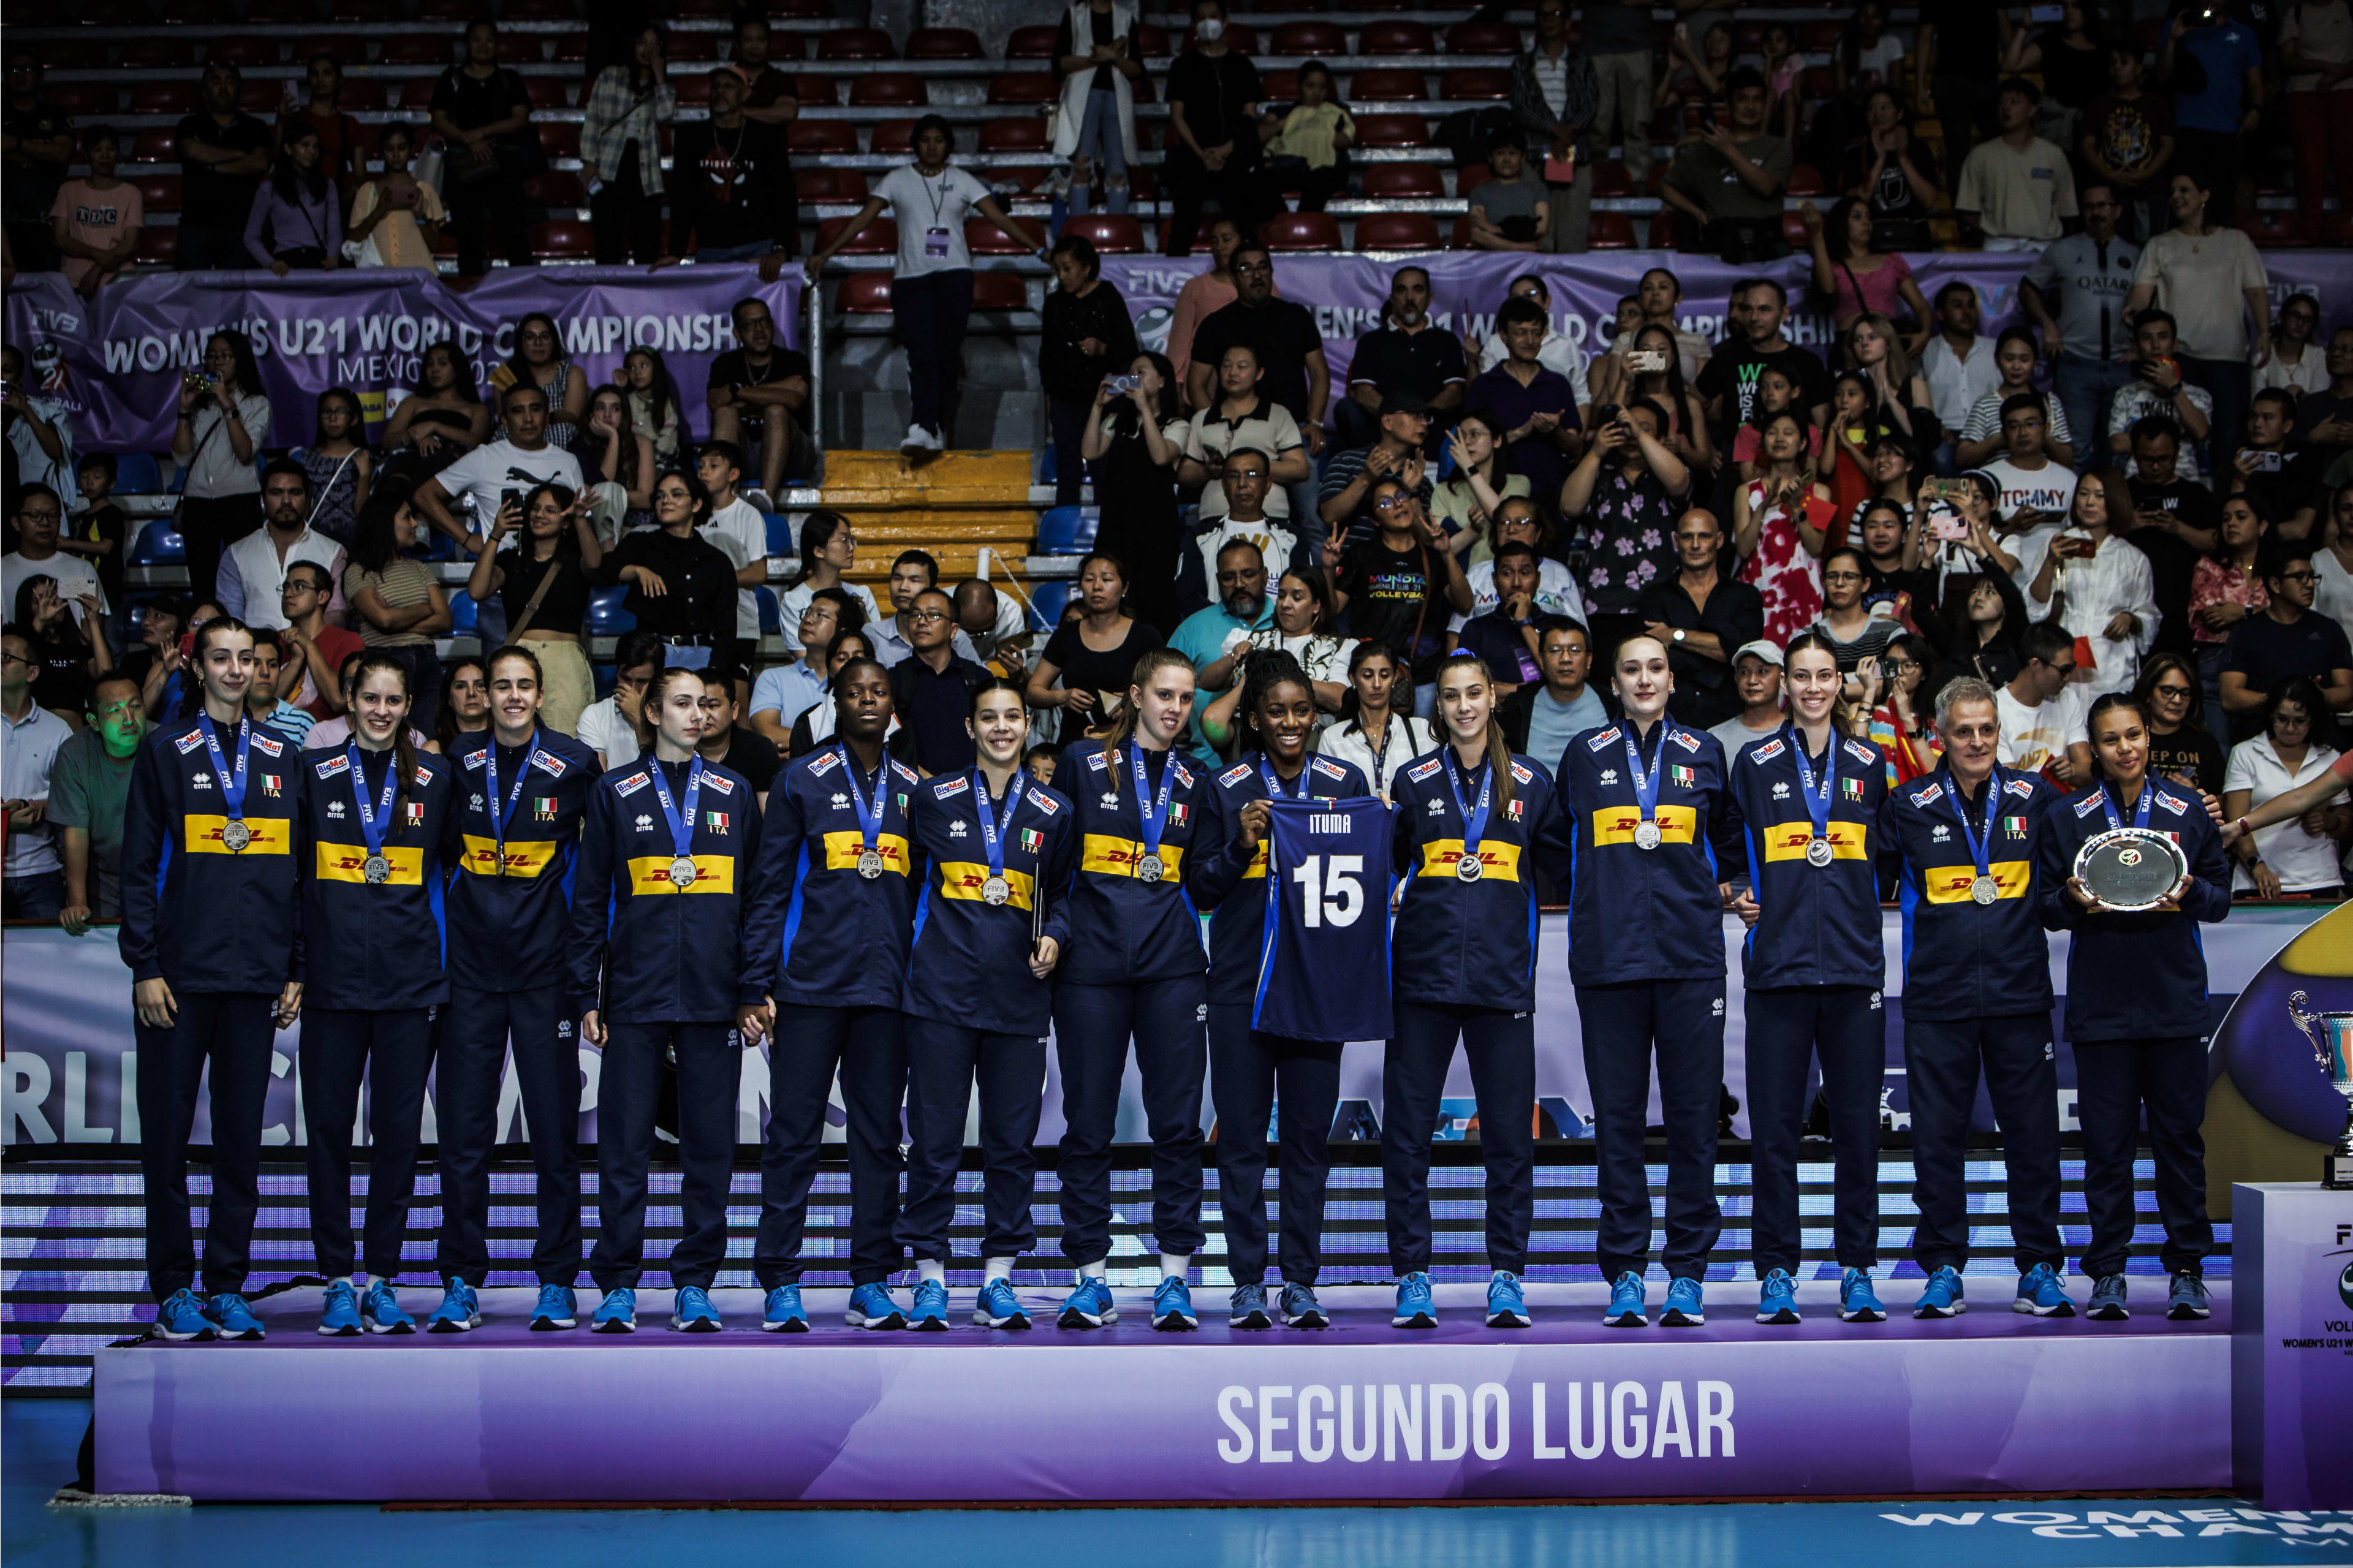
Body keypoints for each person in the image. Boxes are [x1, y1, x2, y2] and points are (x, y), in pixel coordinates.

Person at [117, 618, 303, 1341]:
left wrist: (295, 966)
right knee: (165, 1139)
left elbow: (296, 876)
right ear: (196, 668)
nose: (234, 670)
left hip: (254, 978)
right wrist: (145, 965)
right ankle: (172, 1289)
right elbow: (136, 869)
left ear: (260, 670)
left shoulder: (284, 757)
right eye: (220, 659)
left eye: (246, 660)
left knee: (239, 1142)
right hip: (178, 978)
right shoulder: (165, 750)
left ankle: (226, 1284)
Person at [569, 666, 763, 1333]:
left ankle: (695, 1283)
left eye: (704, 705)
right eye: (681, 704)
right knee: (624, 1146)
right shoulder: (614, 793)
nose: (696, 715)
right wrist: (587, 992)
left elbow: (760, 901)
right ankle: (619, 1283)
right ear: (651, 714)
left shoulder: (735, 792)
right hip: (635, 991)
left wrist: (752, 986)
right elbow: (590, 897)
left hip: (714, 997)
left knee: (708, 1148)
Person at [1558, 635, 1744, 1328]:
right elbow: (1557, 842)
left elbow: (1729, 843)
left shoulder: (1704, 752)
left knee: (1696, 1122)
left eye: (1655, 668)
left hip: (1691, 958)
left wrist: (1738, 885)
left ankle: (1688, 1272)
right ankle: (1627, 1274)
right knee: (1620, 1126)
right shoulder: (1585, 755)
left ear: (1672, 679)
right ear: (1614, 680)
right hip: (1609, 961)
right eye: (1631, 667)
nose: (1644, 678)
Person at [1380, 657, 1567, 1328]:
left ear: (1494, 699)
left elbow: (1570, 868)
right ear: (1440, 707)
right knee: (1406, 1137)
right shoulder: (1412, 780)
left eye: (1475, 695)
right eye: (1452, 697)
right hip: (1422, 981)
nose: (1464, 707)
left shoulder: (1535, 783)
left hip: (1501, 982)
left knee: (1511, 1138)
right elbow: (1385, 867)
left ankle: (1508, 1276)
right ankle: (1412, 1277)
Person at [1881, 676, 2074, 1317]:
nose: (1977, 741)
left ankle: (2041, 1265)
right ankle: (1942, 1268)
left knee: (2033, 1138)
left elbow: (2071, 872)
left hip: (2020, 995)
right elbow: (1862, 875)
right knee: (1937, 1140)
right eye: (1963, 731)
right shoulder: (1908, 803)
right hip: (1938, 999)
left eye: (1987, 729)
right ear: (1941, 735)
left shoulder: (2036, 797)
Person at [733, 659, 918, 1330]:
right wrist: (757, 982)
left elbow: (923, 895)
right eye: (853, 692)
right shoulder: (798, 780)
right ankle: (781, 1279)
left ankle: (872, 1279)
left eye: (877, 692)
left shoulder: (911, 788)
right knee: (793, 1139)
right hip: (808, 988)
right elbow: (769, 890)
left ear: (892, 705)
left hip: (886, 993)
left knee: (877, 1141)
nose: (866, 701)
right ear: (833, 703)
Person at [1191, 656, 1370, 1328]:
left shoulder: (1343, 781)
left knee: (1305, 1144)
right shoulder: (1225, 787)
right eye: (1277, 712)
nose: (1291, 722)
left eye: (1301, 710)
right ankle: (1246, 1283)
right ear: (1254, 720)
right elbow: (1201, 886)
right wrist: (1239, 846)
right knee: (1239, 1140)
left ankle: (1300, 1281)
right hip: (1240, 987)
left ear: (1315, 717)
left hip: (1317, 990)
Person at [423, 646, 599, 1330]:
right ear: (483, 695)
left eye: (526, 685)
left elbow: (596, 867)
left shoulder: (576, 763)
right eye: (502, 686)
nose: (514, 696)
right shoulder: (452, 765)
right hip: (469, 974)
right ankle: (461, 1279)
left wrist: (585, 975)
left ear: (540, 692)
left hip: (546, 975)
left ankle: (557, 1280)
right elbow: (437, 859)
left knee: (555, 1136)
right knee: (465, 1135)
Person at [2044, 691, 2227, 1320]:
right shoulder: (2069, 817)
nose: (2126, 748)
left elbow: (2221, 897)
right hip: (2102, 1009)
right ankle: (2109, 1273)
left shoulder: (2186, 810)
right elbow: (2045, 905)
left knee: (2180, 1142)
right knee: (2107, 1148)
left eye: (2135, 736)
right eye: (2112, 739)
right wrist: (2072, 902)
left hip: (2175, 1002)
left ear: (2149, 737)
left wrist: (2191, 892)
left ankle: (2186, 1270)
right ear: (2094, 748)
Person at [898, 678, 1075, 1330]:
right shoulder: (933, 799)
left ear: (1027, 725)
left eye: (1013, 717)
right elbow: (901, 884)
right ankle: (930, 1278)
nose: (1002, 728)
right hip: (941, 996)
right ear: (970, 729)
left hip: (1019, 1000)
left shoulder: (1054, 810)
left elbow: (1064, 896)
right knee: (935, 1143)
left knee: (1010, 1146)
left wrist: (1056, 937)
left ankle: (1000, 1277)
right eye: (989, 718)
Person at [1726, 631, 1892, 1324]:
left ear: (1841, 684)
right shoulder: (1755, 763)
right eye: (1803, 676)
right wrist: (1734, 890)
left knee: (1857, 1130)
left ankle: (1856, 1270)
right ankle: (1777, 1274)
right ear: (1786, 686)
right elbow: (1729, 844)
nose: (1815, 687)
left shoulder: (1869, 763)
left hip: (1854, 971)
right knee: (1774, 1135)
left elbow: (1889, 855)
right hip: (1780, 971)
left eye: (1827, 675)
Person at [1048, 649, 1215, 1331]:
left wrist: (1238, 851)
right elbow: (1055, 869)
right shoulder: (1081, 766)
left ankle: (1174, 1278)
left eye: (1186, 699)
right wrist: (1054, 936)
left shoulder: (1197, 781)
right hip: (1089, 970)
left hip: (1174, 968)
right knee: (1087, 1125)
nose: (1176, 709)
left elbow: (1203, 884)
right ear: (1136, 695)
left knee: (1176, 1126)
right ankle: (1091, 1278)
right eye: (1165, 695)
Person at [292, 653, 453, 1336]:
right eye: (370, 698)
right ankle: (336, 1279)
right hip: (330, 984)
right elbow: (295, 880)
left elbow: (455, 876)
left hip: (410, 984)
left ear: (406, 705)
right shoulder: (314, 774)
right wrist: (296, 967)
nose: (382, 711)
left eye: (394, 701)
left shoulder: (438, 779)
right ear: (349, 701)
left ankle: (382, 1278)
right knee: (327, 1133)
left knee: (397, 1138)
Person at [805, 116, 1047, 455]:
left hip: (955, 276)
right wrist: (825, 253)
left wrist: (1039, 249)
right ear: (915, 143)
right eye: (926, 140)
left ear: (948, 145)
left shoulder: (962, 179)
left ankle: (934, 428)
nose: (932, 146)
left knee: (946, 358)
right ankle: (921, 426)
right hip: (910, 279)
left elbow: (1000, 218)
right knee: (922, 355)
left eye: (939, 140)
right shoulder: (897, 179)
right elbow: (863, 218)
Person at [2123, 171, 2272, 482]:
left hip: (2227, 356)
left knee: (2227, 438)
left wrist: (2265, 331)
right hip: (2178, 358)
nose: (2176, 196)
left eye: (2184, 190)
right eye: (2173, 191)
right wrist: (2132, 314)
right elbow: (2141, 295)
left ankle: (2224, 508)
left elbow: (2256, 290)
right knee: (2179, 436)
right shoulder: (2160, 244)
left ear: (2204, 195)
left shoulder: (2236, 241)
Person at [1186, 246, 1332, 494]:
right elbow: (1196, 383)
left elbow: (1319, 373)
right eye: (1246, 269)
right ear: (1233, 278)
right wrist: (1214, 426)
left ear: (1272, 273)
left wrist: (1315, 420)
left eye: (1263, 267)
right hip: (1234, 433)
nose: (1256, 275)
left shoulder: (1296, 317)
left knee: (1312, 521)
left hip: (1294, 430)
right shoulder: (1215, 324)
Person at [465, 483, 604, 737]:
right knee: (514, 737)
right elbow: (476, 590)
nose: (540, 514)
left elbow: (595, 562)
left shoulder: (575, 559)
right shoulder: (510, 560)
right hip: (519, 657)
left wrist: (581, 519)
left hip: (564, 660)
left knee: (566, 739)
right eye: (536, 508)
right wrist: (495, 535)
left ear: (565, 521)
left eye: (551, 510)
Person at [2021, 185, 2139, 467]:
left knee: (2121, 451)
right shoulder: (2063, 250)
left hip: (2123, 364)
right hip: (2076, 363)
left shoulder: (2137, 255)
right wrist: (2048, 325)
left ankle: (2118, 509)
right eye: (2089, 207)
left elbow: (2153, 302)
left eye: (2103, 205)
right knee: (2077, 450)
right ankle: (2077, 509)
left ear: (2117, 210)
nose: (2096, 213)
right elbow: (2028, 288)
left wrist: (2140, 347)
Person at [2016, 466, 2157, 697]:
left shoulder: (2134, 558)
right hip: (2064, 659)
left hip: (2112, 660)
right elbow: (2034, 608)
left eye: (2100, 495)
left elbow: (2149, 616)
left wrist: (2130, 619)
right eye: (2083, 494)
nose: (2090, 502)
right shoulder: (2058, 545)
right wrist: (2051, 561)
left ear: (2115, 500)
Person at [1565, 400, 1696, 648]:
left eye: (1643, 427)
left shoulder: (1667, 472)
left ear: (1660, 436)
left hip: (1663, 601)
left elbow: (1680, 482)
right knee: (1610, 683)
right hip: (1606, 602)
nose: (1632, 433)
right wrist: (1595, 452)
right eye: (1625, 427)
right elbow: (1570, 507)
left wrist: (1638, 432)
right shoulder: (1601, 472)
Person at [597, 470, 740, 690]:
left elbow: (727, 628)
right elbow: (605, 568)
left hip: (701, 656)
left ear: (696, 504)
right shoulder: (641, 544)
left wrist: (715, 671)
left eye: (676, 494)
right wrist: (636, 571)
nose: (666, 501)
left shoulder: (716, 561)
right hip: (652, 656)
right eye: (661, 496)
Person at [1332, 480, 1472, 697]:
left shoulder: (1432, 556)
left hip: (1424, 672)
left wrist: (1446, 554)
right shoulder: (1361, 554)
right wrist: (1327, 568)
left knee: (1423, 732)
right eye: (1386, 502)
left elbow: (1465, 604)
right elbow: (1332, 608)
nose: (1397, 504)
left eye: (1401, 496)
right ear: (1374, 520)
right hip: (1374, 671)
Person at [414, 383, 588, 555]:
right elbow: (424, 496)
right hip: (504, 571)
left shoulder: (568, 461)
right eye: (518, 411)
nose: (528, 419)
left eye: (535, 409)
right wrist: (466, 539)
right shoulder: (485, 457)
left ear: (547, 417)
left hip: (556, 569)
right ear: (504, 421)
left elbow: (582, 521)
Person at [1082, 352, 1188, 634]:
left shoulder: (1176, 424)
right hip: (1116, 518)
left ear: (1163, 380)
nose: (1134, 378)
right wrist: (1097, 407)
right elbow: (1090, 451)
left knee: (1154, 592)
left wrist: (1144, 409)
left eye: (1141, 372)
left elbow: (1161, 456)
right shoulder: (1117, 419)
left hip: (1155, 522)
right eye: (1131, 372)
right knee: (1115, 586)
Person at [1637, 508, 1766, 732]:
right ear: (1677, 541)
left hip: (1733, 720)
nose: (1695, 544)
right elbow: (1652, 660)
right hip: (1669, 721)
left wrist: (1674, 635)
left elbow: (1743, 652)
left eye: (1704, 536)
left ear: (1719, 540)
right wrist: (1718, 650)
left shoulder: (1745, 595)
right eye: (1688, 537)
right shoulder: (1655, 596)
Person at [169, 331, 270, 611]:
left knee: (243, 578)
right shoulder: (200, 404)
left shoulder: (256, 403)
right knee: (203, 583)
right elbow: (180, 456)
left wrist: (227, 403)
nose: (217, 363)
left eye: (225, 356)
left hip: (240, 500)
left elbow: (245, 452)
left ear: (240, 360)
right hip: (198, 501)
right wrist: (184, 409)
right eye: (212, 357)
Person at [661, 66, 796, 275]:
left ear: (746, 94)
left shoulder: (766, 138)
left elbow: (784, 195)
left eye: (729, 87)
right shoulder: (691, 136)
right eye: (715, 87)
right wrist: (676, 252)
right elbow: (683, 197)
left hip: (759, 246)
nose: (720, 92)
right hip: (712, 247)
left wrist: (781, 248)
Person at [428, 18, 535, 276]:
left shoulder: (510, 79)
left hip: (504, 171)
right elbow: (438, 118)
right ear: (468, 44)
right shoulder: (451, 78)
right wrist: (468, 139)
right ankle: (471, 299)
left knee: (515, 237)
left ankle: (526, 296)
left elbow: (521, 118)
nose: (483, 45)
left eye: (488, 40)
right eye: (477, 40)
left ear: (497, 45)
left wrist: (484, 133)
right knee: (468, 240)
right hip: (464, 171)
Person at [341, 488, 450, 739]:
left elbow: (444, 619)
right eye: (407, 517)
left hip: (426, 660)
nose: (415, 524)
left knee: (426, 740)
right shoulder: (359, 571)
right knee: (389, 738)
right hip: (385, 660)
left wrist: (395, 619)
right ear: (384, 522)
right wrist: (425, 610)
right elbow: (384, 619)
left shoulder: (419, 568)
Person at [1162, 0, 1268, 257]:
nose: (1207, 22)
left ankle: (1250, 267)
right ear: (1193, 24)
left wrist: (1224, 152)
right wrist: (1203, 155)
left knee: (1244, 214)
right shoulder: (1182, 66)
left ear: (1225, 21)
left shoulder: (1243, 66)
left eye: (1213, 16)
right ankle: (1176, 277)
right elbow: (1178, 117)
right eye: (1201, 17)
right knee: (1185, 214)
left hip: (1232, 152)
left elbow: (1250, 116)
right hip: (1194, 153)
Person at [2224, 676, 2347, 898]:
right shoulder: (2247, 752)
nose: (2290, 728)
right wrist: (2256, 864)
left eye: (2300, 721)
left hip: (2320, 877)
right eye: (2283, 719)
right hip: (2258, 880)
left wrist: (2330, 821)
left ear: (2313, 721)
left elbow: (2342, 819)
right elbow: (2297, 799)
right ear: (2271, 714)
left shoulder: (2330, 756)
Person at [1042, 233, 1140, 509]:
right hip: (1064, 397)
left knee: (1104, 463)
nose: (1062, 276)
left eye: (1068, 269)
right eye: (1057, 270)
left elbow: (1129, 350)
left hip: (1104, 397)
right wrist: (1048, 393)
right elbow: (1047, 354)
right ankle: (1066, 521)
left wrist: (1102, 350)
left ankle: (1107, 529)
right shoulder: (1054, 303)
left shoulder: (1108, 296)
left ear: (1087, 267)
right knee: (1067, 462)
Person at [1467, 297, 1586, 515]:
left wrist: (1555, 431)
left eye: (1536, 332)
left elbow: (1576, 448)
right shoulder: (1484, 385)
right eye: (1521, 332)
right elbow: (1471, 448)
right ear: (1504, 336)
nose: (1530, 340)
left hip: (1551, 497)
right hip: (1497, 498)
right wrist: (1521, 432)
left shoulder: (1558, 384)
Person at [2219, 548, 2353, 740]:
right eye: (2299, 577)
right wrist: (2279, 699)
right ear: (2275, 584)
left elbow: (2348, 696)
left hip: (2319, 746)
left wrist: (2315, 696)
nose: (2309, 584)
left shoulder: (2329, 630)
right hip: (2260, 744)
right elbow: (2230, 697)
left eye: (2311, 576)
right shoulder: (2246, 632)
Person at [1028, 551, 1164, 741]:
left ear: (1124, 587)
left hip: (1129, 741)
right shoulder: (1067, 635)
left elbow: (1165, 690)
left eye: (1107, 580)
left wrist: (1135, 699)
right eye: (1089, 579)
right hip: (1075, 743)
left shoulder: (1145, 636)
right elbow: (1033, 691)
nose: (1097, 587)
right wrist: (1062, 697)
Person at [1662, 70, 1794, 262]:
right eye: (1742, 99)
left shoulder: (1779, 146)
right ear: (1728, 104)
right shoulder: (1704, 148)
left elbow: (1766, 187)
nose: (1750, 107)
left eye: (1757, 100)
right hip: (1719, 245)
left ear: (1766, 105)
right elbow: (1665, 187)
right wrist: (1696, 211)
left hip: (1767, 244)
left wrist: (1727, 148)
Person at [2154, 1, 2267, 218]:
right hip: (2186, 129)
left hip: (2228, 130)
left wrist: (2257, 110)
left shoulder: (2244, 33)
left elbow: (2255, 82)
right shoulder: (2177, 26)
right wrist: (2172, 40)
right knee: (2184, 204)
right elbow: (2162, 77)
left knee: (2222, 204)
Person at [48, 670, 140, 933]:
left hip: (157, 874)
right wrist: (77, 902)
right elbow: (75, 833)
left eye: (136, 707)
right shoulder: (74, 754)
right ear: (94, 721)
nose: (129, 719)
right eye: (115, 710)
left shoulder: (164, 745)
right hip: (103, 878)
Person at [1171, 536, 1278, 761]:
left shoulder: (1287, 620)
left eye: (1248, 575)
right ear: (1218, 580)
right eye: (1229, 578)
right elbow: (1161, 687)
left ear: (1266, 575)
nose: (1239, 584)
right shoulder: (1192, 628)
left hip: (1281, 761)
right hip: (1205, 764)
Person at [1341, 267, 1469, 452]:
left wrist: (1420, 418)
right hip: (1384, 438)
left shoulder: (1447, 341)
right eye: (1402, 290)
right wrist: (1400, 421)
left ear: (1430, 298)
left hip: (1433, 435)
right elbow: (1364, 393)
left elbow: (1455, 392)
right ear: (1392, 298)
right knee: (1347, 408)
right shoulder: (1371, 341)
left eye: (1417, 290)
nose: (1410, 298)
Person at [1507, 0, 1599, 254]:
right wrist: (1553, 129)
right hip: (1535, 156)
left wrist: (1566, 134)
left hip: (1575, 154)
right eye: (1543, 15)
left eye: (1556, 14)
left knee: (1573, 238)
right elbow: (1521, 107)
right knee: (1538, 238)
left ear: (1568, 22)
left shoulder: (1583, 63)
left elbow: (1590, 104)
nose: (1549, 20)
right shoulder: (1522, 65)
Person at [1735, 412, 1835, 645]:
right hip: (1759, 590)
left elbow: (1817, 546)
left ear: (1802, 444)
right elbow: (1743, 548)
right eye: (1772, 432)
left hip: (1804, 590)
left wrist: (1796, 506)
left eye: (1788, 433)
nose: (1779, 438)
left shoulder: (1819, 492)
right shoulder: (1746, 491)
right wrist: (1762, 508)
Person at [582, 23, 675, 267]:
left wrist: (659, 76)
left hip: (645, 170)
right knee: (608, 240)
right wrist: (590, 161)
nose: (649, 49)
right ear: (632, 45)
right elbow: (593, 119)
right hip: (612, 164)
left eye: (655, 44)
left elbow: (666, 114)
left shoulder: (663, 86)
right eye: (643, 42)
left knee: (646, 242)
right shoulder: (611, 75)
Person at [1698, 278, 1834, 445]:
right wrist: (1704, 449)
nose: (1754, 317)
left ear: (1784, 314)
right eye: (1748, 309)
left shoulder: (1807, 362)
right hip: (1736, 464)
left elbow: (1823, 424)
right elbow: (1691, 402)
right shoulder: (1726, 359)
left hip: (1794, 465)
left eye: (1764, 309)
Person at [706, 298, 814, 504]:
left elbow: (794, 399)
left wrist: (738, 392)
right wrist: (779, 388)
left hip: (791, 456)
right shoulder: (725, 364)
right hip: (744, 453)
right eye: (749, 325)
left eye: (764, 322)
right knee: (725, 414)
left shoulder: (794, 361)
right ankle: (725, 504)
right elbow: (715, 403)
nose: (759, 330)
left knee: (776, 411)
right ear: (737, 334)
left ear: (772, 325)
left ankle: (767, 503)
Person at [218, 461, 345, 633]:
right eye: (276, 493)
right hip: (254, 656)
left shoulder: (334, 552)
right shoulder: (236, 553)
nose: (286, 501)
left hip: (316, 654)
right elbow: (231, 621)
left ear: (308, 498)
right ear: (262, 499)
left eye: (295, 492)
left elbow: (338, 615)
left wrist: (305, 645)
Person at [1952, 77, 2077, 252]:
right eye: (2002, 103)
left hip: (2043, 246)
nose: (2006, 108)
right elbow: (1968, 211)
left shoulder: (2053, 155)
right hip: (1998, 246)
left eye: (2014, 102)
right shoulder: (1980, 156)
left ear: (2032, 110)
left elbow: (2066, 210)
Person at [169, 62, 271, 272]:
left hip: (241, 229)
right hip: (195, 227)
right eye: (216, 81)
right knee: (192, 297)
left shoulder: (256, 127)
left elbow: (260, 163)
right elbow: (192, 151)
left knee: (237, 300)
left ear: (239, 90)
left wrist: (211, 164)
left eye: (230, 81)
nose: (223, 87)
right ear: (205, 92)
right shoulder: (188, 124)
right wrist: (240, 155)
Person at [1, 621, 72, 918]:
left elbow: (72, 801)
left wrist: (35, 807)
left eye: (6, 658)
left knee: (48, 964)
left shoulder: (58, 730)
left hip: (42, 873)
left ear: (32, 673)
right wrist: (5, 820)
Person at [1052, 0, 1145, 216]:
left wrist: (1113, 57)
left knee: (1117, 173)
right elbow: (1062, 62)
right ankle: (1077, 229)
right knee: (1081, 167)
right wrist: (1099, 58)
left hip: (1117, 97)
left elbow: (1136, 69)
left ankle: (1117, 232)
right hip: (1083, 97)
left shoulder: (1125, 18)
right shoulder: (1075, 15)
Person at [887, 587, 991, 775]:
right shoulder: (893, 679)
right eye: (915, 615)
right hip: (912, 788)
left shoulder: (979, 678)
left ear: (953, 630)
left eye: (933, 615)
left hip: (972, 790)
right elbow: (887, 742)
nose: (922, 622)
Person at [2080, 44, 2176, 243]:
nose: (2117, 68)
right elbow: (2088, 145)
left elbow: (2168, 145)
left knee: (2154, 249)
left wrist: (2145, 173)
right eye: (2113, 63)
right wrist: (2110, 174)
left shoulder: (2156, 104)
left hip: (2151, 190)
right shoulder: (2097, 105)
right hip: (2110, 194)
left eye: (2124, 62)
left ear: (2139, 68)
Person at [1315, 640, 1434, 800]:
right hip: (1356, 824)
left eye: (1385, 675)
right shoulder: (1333, 737)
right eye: (1368, 675)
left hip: (1410, 824)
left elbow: (1435, 793)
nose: (1377, 684)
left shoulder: (1421, 730)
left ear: (1395, 678)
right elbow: (1326, 801)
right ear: (1353, 679)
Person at [1320, 392, 1434, 549]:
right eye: (1415, 415)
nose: (1424, 423)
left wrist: (1412, 491)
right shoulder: (1346, 461)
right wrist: (1365, 478)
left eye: (1425, 417)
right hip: (1352, 567)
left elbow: (1426, 540)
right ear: (1388, 421)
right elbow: (1329, 516)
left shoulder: (1421, 480)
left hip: (1400, 572)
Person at [751, 589, 862, 749]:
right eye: (807, 612)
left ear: (842, 630)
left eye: (820, 615)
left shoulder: (855, 680)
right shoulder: (773, 678)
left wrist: (798, 749)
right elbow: (766, 731)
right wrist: (831, 747)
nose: (808, 620)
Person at [1957, 330, 2077, 471]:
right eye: (2009, 359)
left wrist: (2043, 437)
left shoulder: (2050, 403)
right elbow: (1962, 458)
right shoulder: (1984, 404)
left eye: (2024, 360)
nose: (2016, 367)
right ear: (1997, 360)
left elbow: (2068, 462)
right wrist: (2001, 439)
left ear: (2035, 363)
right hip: (1999, 485)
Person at [1803, 196, 1931, 330]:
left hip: (1886, 344)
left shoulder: (1892, 262)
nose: (1866, 222)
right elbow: (1828, 289)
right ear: (1842, 224)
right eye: (1857, 217)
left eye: (1869, 217)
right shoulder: (1834, 265)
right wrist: (1816, 233)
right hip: (1848, 344)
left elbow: (1922, 308)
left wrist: (1924, 335)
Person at [1838, 88, 1941, 250]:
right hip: (1872, 240)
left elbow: (1929, 201)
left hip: (1914, 239)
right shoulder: (1855, 154)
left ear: (1899, 113)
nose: (1878, 114)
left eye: (1884, 107)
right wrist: (1880, 160)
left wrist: (1903, 158)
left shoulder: (1919, 149)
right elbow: (1857, 201)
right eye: (1872, 109)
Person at [2281, 2, 2353, 234]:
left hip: (2345, 93)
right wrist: (2325, 66)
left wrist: (2341, 73)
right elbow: (2287, 59)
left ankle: (2349, 226)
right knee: (2310, 165)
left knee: (2349, 162)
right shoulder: (2298, 11)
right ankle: (2311, 229)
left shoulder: (2347, 9)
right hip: (2305, 95)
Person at [48, 124, 140, 298]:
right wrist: (97, 254)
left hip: (119, 282)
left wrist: (97, 270)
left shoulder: (131, 193)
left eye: (111, 149)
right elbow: (61, 238)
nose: (105, 156)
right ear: (87, 154)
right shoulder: (68, 191)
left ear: (118, 153)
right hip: (74, 281)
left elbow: (130, 243)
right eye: (97, 150)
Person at [1916, 282, 2000, 471]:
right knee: (1941, 459)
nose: (1967, 311)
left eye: (1971, 305)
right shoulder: (1926, 350)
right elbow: (1914, 396)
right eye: (1957, 306)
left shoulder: (1995, 349)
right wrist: (1932, 426)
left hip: (1989, 433)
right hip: (1945, 433)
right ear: (1940, 314)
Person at [1500, 618, 1608, 760]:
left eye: (1575, 650)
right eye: (1555, 650)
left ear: (1588, 660)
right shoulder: (1517, 706)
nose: (1565, 659)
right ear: (1542, 659)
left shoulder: (1614, 704)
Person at [1999, 621, 2094, 782]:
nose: (2068, 677)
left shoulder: (2067, 699)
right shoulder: (1996, 709)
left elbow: (2087, 772)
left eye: (2072, 668)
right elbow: (2009, 785)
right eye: (2063, 670)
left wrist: (2072, 770)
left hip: (2062, 803)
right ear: (2035, 665)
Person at [1259, 57, 1354, 215]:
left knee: (1321, 175)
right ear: (1300, 87)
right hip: (1292, 169)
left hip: (1327, 169)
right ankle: (1283, 223)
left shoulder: (1338, 110)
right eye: (1310, 86)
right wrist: (1288, 123)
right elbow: (1257, 137)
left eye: (1322, 87)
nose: (1316, 93)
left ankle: (1303, 223)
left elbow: (1346, 140)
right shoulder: (1283, 112)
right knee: (1261, 179)